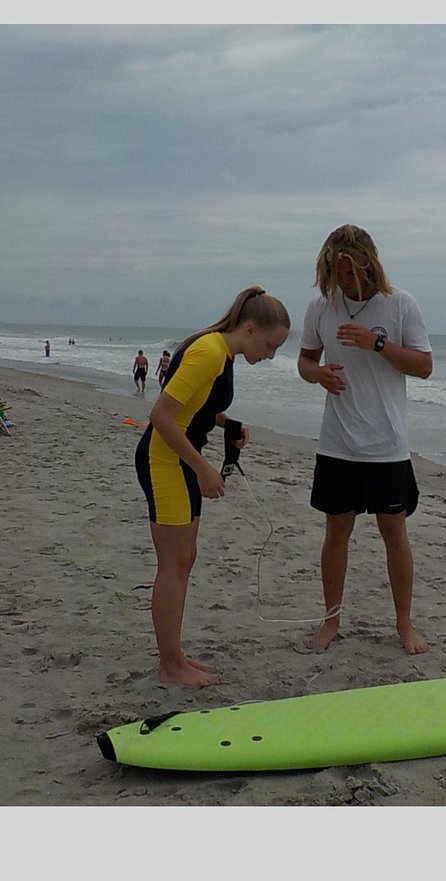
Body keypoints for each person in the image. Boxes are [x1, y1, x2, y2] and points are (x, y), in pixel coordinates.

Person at [134, 285, 290, 687]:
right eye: (271, 346)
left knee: (185, 558)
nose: (271, 356)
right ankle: (169, 667)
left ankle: (175, 654)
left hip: (179, 458)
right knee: (173, 564)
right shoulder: (208, 352)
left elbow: (197, 407)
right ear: (251, 329)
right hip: (164, 460)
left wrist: (228, 424)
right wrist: (204, 467)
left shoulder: (223, 353)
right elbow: (162, 415)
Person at [297, 224, 434, 655]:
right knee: (336, 533)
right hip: (336, 443)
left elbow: (424, 366)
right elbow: (304, 359)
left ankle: (404, 625)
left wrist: (378, 344)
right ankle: (330, 620)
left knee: (395, 534)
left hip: (387, 445)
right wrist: (316, 374)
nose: (346, 281)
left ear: (370, 265)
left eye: (353, 271)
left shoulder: (400, 305)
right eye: (338, 272)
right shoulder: (322, 307)